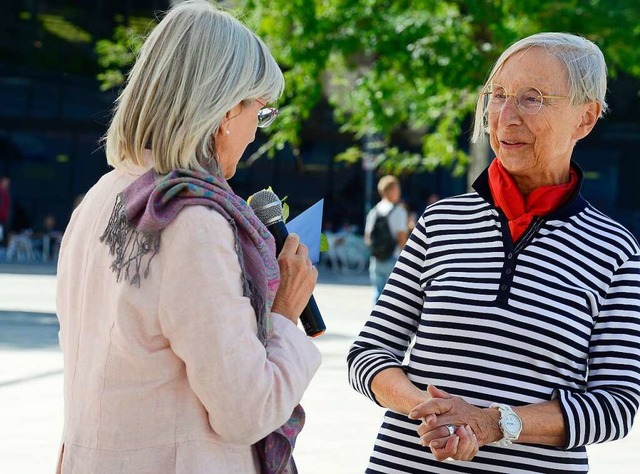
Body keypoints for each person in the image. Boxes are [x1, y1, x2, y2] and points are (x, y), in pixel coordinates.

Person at [348, 32, 640, 473]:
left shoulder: (615, 250)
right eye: (497, 95)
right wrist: (431, 413)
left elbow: (616, 405)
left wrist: (492, 424)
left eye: (532, 98)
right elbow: (368, 354)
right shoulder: (440, 222)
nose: (505, 116)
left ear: (586, 118)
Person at [55, 2, 320, 473]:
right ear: (224, 111)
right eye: (259, 114)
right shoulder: (191, 220)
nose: (256, 134)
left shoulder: (105, 193)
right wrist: (285, 313)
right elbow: (247, 411)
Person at [364, 175, 408, 301]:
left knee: (377, 295)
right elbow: (401, 237)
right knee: (394, 298)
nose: (399, 192)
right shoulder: (399, 211)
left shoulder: (373, 211)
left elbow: (367, 238)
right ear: (391, 190)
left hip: (376, 259)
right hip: (393, 259)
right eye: (397, 189)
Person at [0, 176, 10, 247]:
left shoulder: (7, 193)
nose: (7, 184)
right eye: (6, 182)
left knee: (4, 238)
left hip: (5, 220)